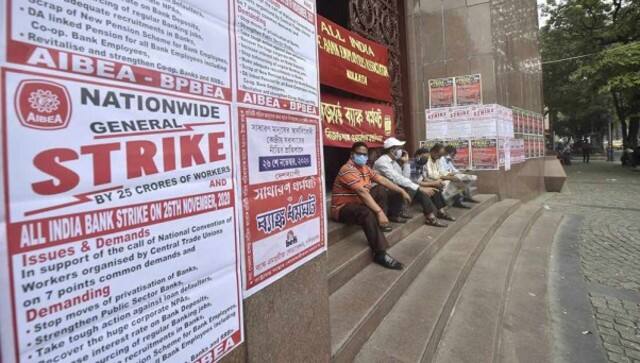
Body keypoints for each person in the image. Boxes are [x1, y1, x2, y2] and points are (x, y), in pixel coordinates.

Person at [331, 142, 413, 270]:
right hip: (343, 208)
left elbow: (383, 180)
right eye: (359, 154)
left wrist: (401, 190)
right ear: (352, 154)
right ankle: (380, 253)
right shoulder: (347, 169)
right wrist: (379, 212)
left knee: (382, 189)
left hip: (359, 202)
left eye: (365, 154)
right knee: (365, 212)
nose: (363, 156)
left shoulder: (365, 168)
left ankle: (380, 223)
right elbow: (362, 192)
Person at [374, 137, 453, 227]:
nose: (401, 151)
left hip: (393, 187)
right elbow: (396, 178)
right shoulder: (382, 161)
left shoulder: (394, 162)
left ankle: (433, 215)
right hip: (382, 190)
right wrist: (419, 187)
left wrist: (406, 163)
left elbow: (404, 177)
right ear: (392, 150)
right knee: (418, 191)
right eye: (399, 149)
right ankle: (430, 217)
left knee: (426, 190)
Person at [424, 143, 469, 208]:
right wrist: (447, 177)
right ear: (433, 152)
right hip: (430, 180)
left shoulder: (437, 159)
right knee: (448, 183)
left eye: (441, 156)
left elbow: (441, 171)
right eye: (439, 155)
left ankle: (458, 200)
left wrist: (450, 176)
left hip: (439, 178)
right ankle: (449, 203)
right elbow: (431, 175)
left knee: (458, 181)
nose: (440, 157)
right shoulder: (427, 159)